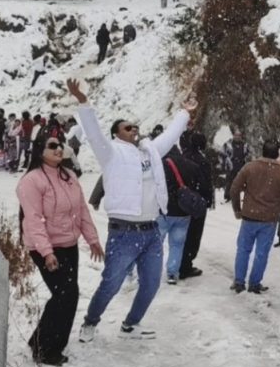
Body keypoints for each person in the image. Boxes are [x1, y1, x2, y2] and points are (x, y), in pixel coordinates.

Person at [67, 78, 197, 342]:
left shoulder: (149, 152)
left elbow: (170, 136)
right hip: (124, 233)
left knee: (150, 284)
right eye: (128, 127)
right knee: (111, 284)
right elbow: (92, 132)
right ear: (117, 133)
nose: (135, 130)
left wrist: (185, 112)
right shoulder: (110, 152)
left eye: (136, 126)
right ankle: (90, 322)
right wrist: (83, 101)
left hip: (151, 230)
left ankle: (131, 324)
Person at [17, 133, 104, 366]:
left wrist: (92, 238)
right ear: (39, 150)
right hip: (44, 247)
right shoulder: (31, 181)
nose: (58, 149)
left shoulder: (69, 176)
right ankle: (46, 349)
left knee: (67, 294)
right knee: (65, 294)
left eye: (60, 145)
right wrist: (46, 252)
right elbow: (33, 219)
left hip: (68, 244)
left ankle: (43, 341)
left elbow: (81, 210)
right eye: (52, 146)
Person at [229, 140, 280, 294]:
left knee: (243, 250)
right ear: (277, 153)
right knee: (261, 253)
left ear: (263, 151)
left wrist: (237, 209)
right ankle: (254, 283)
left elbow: (234, 189)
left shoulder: (250, 167)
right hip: (269, 219)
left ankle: (239, 282)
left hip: (249, 217)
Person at [159, 145, 201, 285]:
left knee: (155, 244)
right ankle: (172, 273)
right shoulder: (191, 166)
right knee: (177, 244)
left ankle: (153, 271)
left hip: (164, 211)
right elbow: (197, 186)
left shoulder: (161, 166)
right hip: (183, 213)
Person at [179, 131, 214, 280]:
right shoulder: (202, 161)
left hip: (182, 200)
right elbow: (206, 184)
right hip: (197, 202)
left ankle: (177, 262)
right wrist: (207, 200)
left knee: (181, 234)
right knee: (194, 235)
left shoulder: (183, 157)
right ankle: (186, 265)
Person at [220, 130, 250, 202]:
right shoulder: (228, 144)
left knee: (244, 182)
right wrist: (225, 162)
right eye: (236, 135)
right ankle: (228, 196)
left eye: (239, 135)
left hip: (241, 166)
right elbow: (222, 154)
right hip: (231, 167)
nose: (237, 137)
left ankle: (246, 197)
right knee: (230, 182)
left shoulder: (245, 145)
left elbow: (248, 155)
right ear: (233, 135)